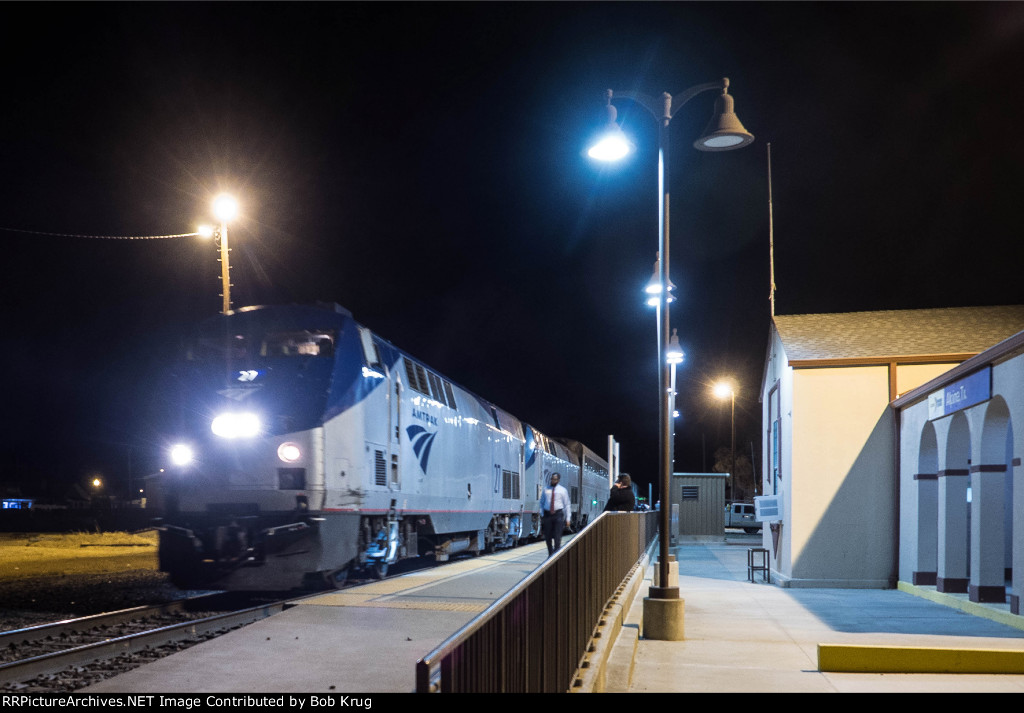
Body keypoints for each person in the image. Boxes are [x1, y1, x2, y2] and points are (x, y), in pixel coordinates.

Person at [540, 472, 570, 556]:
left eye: (555, 479)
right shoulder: (546, 489)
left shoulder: (562, 490)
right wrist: (542, 513)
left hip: (558, 514)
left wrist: (568, 518)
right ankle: (550, 553)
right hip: (547, 515)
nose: (553, 481)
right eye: (552, 479)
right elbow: (541, 502)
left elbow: (567, 504)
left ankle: (556, 554)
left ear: (558, 480)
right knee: (547, 536)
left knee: (557, 537)